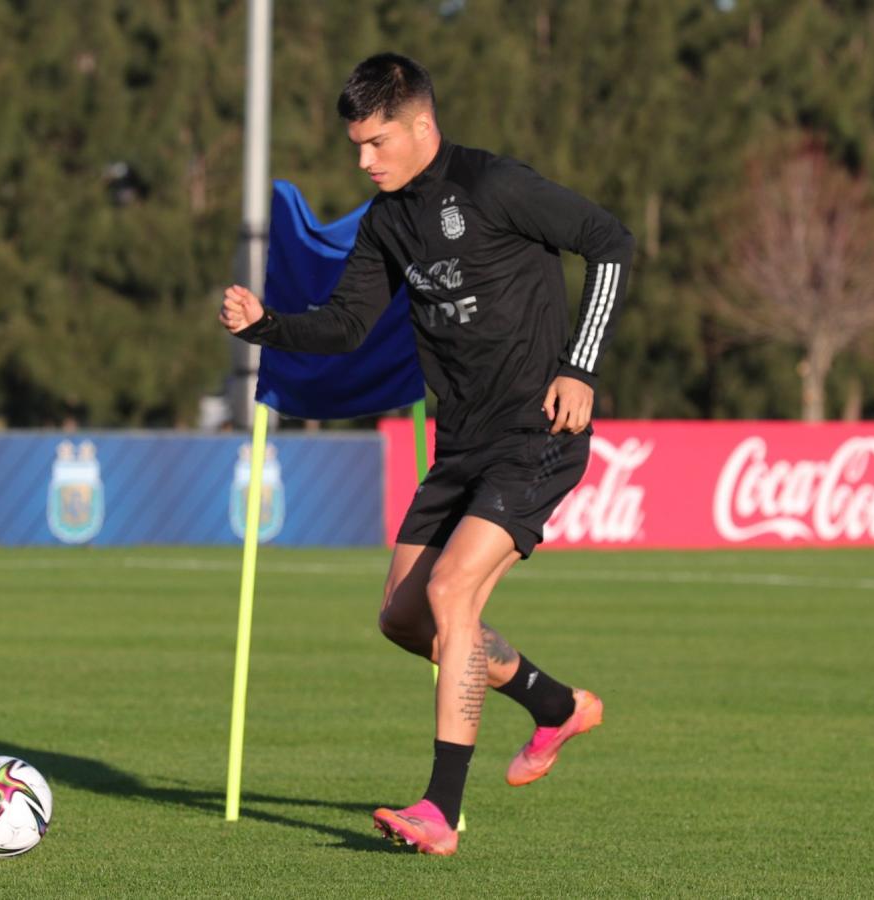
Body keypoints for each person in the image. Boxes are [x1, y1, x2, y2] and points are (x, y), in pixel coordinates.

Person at [219, 52, 634, 856]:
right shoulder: (384, 224)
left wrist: (580, 367)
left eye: (375, 142)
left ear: (420, 125)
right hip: (462, 446)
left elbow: (610, 242)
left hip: (537, 436)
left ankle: (439, 810)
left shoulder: (492, 185)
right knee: (404, 618)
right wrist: (264, 326)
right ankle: (554, 706)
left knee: (452, 595)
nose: (363, 160)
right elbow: (345, 326)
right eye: (356, 147)